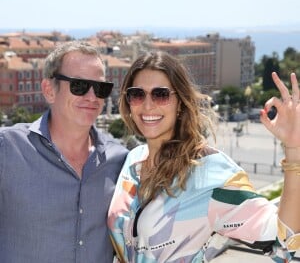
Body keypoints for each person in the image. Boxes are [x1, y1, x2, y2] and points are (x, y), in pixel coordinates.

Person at [108, 51, 300, 262]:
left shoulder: (208, 170)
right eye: (137, 94)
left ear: (180, 102)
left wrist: (294, 150)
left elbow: (284, 241)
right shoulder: (132, 160)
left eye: (160, 94)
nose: (147, 105)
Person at [0, 41, 128, 263]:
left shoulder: (121, 160)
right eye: (79, 85)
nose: (92, 97)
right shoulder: (7, 149)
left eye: (100, 88)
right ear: (49, 90)